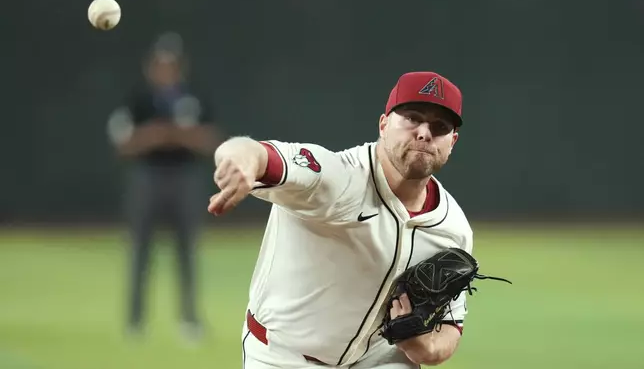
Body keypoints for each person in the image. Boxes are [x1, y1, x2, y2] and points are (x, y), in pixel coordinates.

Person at [208, 71, 471, 367]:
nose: (424, 133)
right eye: (411, 118)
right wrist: (241, 162)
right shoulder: (336, 179)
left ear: (453, 142)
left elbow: (451, 323)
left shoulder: (452, 229)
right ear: (383, 125)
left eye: (440, 127)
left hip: (377, 357)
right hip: (283, 355)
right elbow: (256, 152)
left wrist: (424, 347)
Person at [107, 35, 220, 340]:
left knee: (186, 251)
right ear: (151, 67)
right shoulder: (138, 99)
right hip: (148, 176)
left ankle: (189, 321)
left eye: (170, 65)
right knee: (141, 250)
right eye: (160, 64)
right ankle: (135, 321)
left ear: (180, 67)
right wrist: (156, 135)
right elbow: (123, 143)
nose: (165, 70)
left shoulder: (194, 97)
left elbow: (211, 140)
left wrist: (177, 136)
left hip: (184, 176)